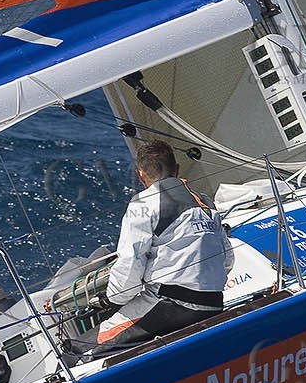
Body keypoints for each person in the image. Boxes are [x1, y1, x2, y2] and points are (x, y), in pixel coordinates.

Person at [96, 140, 234, 347]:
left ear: (140, 175)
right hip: (213, 302)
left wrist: (113, 299)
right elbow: (227, 260)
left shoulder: (143, 204)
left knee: (98, 340)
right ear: (177, 170)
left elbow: (131, 263)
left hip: (174, 304)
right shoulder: (206, 202)